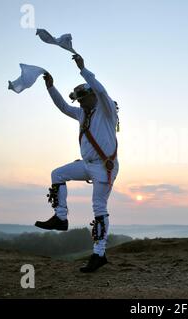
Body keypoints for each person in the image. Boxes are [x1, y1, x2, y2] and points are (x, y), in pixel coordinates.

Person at [35, 54, 119, 273]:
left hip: (104, 167)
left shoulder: (106, 109)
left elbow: (100, 90)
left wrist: (83, 69)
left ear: (92, 96)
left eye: (83, 99)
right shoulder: (83, 113)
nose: (80, 103)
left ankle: (99, 254)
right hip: (87, 163)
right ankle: (61, 218)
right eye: (79, 100)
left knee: (99, 209)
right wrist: (51, 88)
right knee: (57, 174)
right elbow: (63, 106)